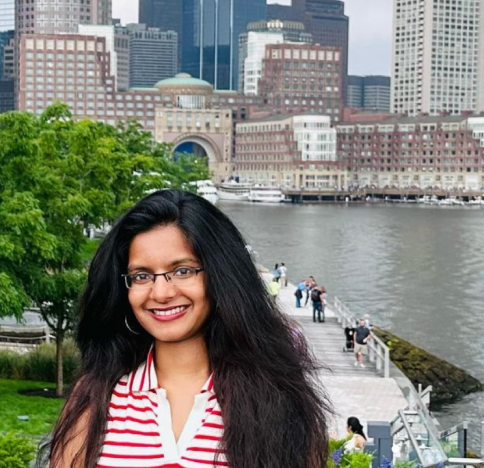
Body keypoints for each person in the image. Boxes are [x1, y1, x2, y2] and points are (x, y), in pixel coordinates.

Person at [45, 190, 329, 468]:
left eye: (183, 271)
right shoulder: (97, 397)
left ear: (221, 276)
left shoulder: (276, 398)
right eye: (141, 276)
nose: (161, 293)